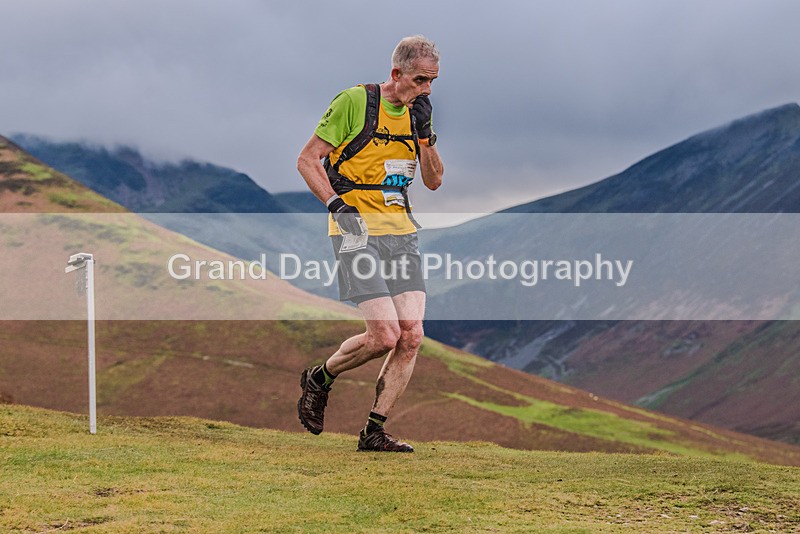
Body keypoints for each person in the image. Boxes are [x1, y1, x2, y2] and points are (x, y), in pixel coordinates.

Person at [295, 35, 444, 452]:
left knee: (411, 335)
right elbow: (307, 159)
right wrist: (335, 204)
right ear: (397, 73)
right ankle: (320, 378)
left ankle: (374, 431)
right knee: (384, 336)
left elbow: (433, 181)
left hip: (401, 232)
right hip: (355, 230)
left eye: (433, 81)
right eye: (420, 80)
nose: (427, 89)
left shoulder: (419, 114)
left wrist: (426, 137)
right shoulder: (355, 102)